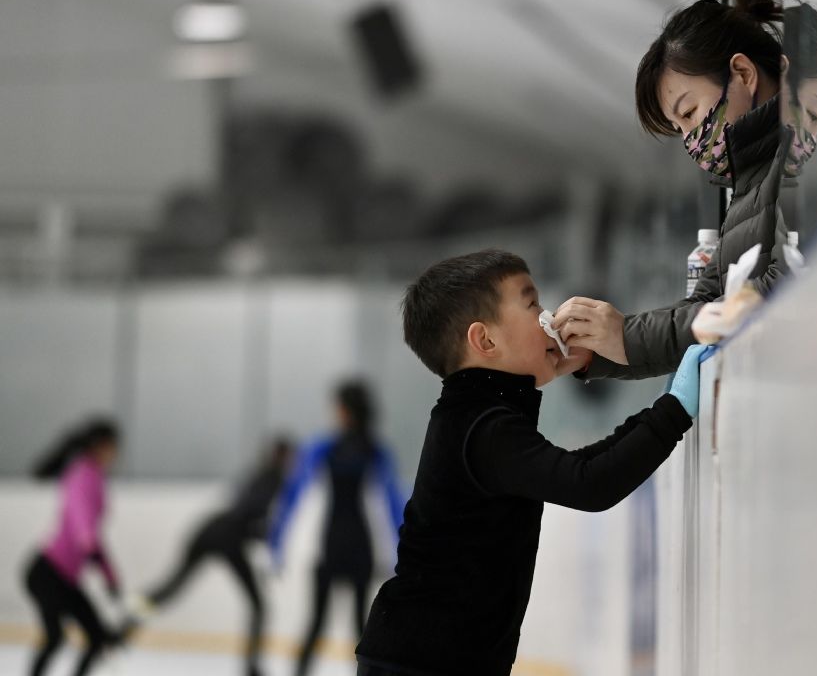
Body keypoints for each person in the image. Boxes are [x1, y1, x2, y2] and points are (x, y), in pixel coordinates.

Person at [355, 250, 707, 676]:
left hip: (427, 658)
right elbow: (588, 484)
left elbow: (575, 469)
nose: (551, 318)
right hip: (421, 663)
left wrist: (663, 408)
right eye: (532, 304)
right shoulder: (481, 427)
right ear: (485, 341)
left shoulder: (478, 413)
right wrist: (673, 411)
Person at [552, 0, 817, 380]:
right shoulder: (750, 186)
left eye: (689, 112)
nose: (689, 140)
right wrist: (597, 351)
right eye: (679, 127)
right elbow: (711, 304)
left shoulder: (783, 179)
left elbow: (758, 303)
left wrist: (626, 337)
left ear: (744, 75)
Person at [269, 380, 406, 676]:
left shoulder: (323, 447)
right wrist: (402, 552)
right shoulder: (376, 450)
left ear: (343, 411)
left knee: (316, 624)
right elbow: (395, 505)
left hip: (331, 545)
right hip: (360, 547)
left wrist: (277, 544)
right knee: (361, 631)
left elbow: (291, 498)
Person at [133, 437, 294, 676]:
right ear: (282, 457)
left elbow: (244, 511)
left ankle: (127, 620)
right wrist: (264, 535)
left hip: (213, 532)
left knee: (172, 588)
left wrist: (262, 535)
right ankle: (252, 666)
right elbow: (245, 514)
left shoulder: (262, 475)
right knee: (257, 605)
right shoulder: (272, 478)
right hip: (225, 536)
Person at [22, 418, 125, 676]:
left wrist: (109, 575)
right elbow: (81, 518)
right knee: (57, 637)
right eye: (115, 447)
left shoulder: (93, 475)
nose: (117, 454)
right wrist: (88, 542)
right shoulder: (82, 473)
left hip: (62, 576)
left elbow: (92, 536)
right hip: (49, 572)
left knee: (94, 637)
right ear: (102, 446)